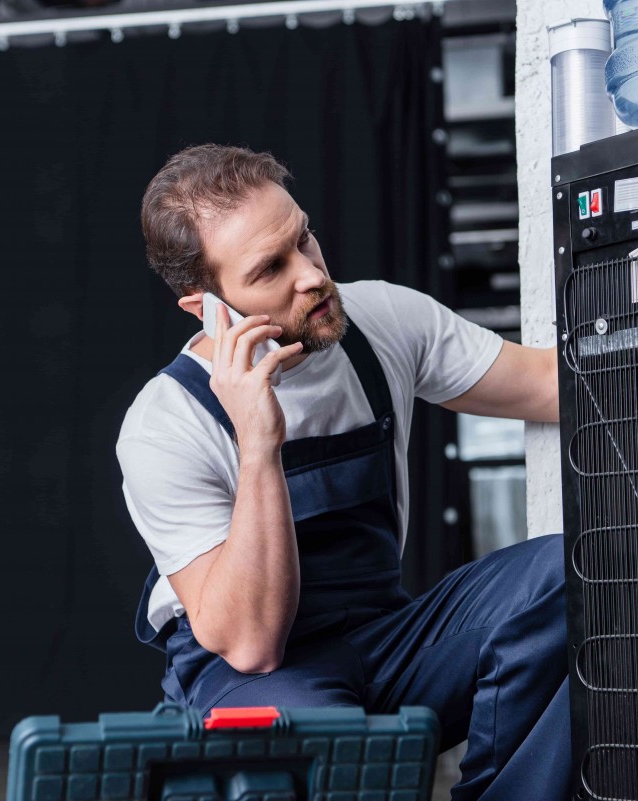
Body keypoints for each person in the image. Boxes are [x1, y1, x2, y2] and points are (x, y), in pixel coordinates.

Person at [118, 144, 572, 800]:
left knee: (565, 578)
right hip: (254, 677)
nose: (310, 275)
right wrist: (258, 442)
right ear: (207, 305)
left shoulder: (382, 320)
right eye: (271, 267)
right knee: (322, 747)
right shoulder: (166, 423)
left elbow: (549, 383)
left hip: (388, 639)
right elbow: (250, 644)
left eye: (303, 237)